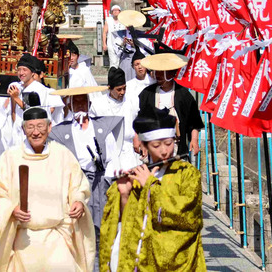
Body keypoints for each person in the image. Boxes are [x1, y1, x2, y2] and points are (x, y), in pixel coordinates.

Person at [0, 98, 96, 271]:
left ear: (49, 127)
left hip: (57, 235)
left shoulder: (62, 154)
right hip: (24, 238)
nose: (36, 132)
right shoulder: (10, 157)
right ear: (23, 129)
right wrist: (11, 209)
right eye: (30, 127)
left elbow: (77, 186)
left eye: (40, 126)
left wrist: (78, 201)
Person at [99, 107, 205, 271]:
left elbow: (187, 217)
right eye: (156, 145)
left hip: (173, 263)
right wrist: (124, 193)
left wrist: (150, 185)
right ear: (144, 146)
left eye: (169, 143)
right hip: (139, 260)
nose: (164, 151)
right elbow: (126, 225)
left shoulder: (188, 174)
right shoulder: (138, 174)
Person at [49, 86, 124, 270]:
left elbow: (113, 156)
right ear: (70, 104)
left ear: (89, 103)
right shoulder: (61, 131)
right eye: (77, 102)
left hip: (98, 181)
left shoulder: (101, 127)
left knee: (101, 227)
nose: (81, 105)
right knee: (75, 229)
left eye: (84, 101)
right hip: (73, 184)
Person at [136, 53, 203, 158]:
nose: (158, 76)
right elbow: (140, 119)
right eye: (157, 72)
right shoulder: (147, 93)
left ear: (170, 74)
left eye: (162, 73)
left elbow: (194, 122)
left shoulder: (183, 94)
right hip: (153, 146)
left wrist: (194, 140)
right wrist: (140, 140)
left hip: (177, 145)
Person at [90, 68, 142, 174]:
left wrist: (137, 135)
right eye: (119, 89)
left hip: (129, 149)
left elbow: (139, 121)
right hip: (108, 152)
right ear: (109, 88)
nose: (122, 92)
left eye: (124, 88)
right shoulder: (98, 104)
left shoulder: (132, 100)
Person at [102, 3, 125, 70]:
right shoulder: (108, 20)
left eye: (117, 10)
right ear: (111, 12)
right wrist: (104, 44)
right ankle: (113, 75)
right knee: (113, 61)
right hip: (111, 43)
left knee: (120, 61)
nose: (115, 12)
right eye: (113, 10)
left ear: (120, 12)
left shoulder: (123, 20)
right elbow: (104, 32)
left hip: (121, 44)